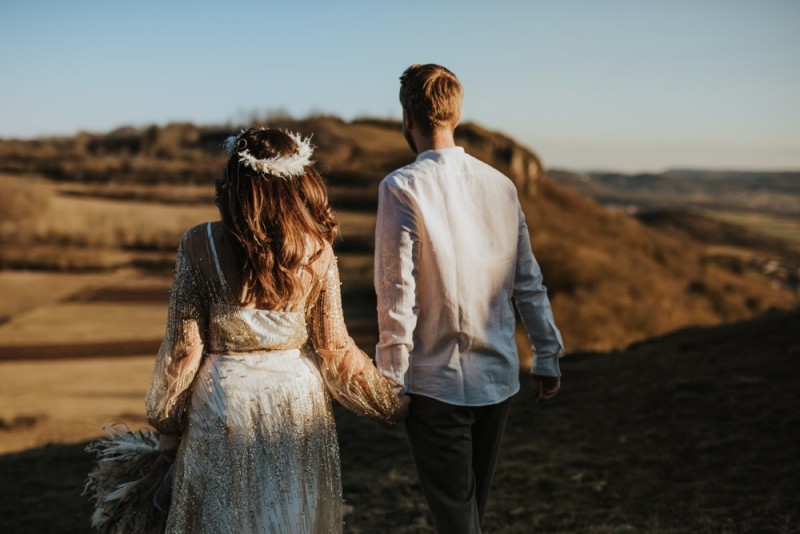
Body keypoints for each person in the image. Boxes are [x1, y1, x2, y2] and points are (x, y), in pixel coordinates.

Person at [144, 128, 408, 532]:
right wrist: (385, 403)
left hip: (225, 401)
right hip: (295, 401)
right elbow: (335, 348)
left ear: (235, 181)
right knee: (289, 517)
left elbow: (184, 349)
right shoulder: (318, 249)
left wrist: (166, 422)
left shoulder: (198, 243)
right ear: (297, 182)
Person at [374, 64, 564, 533]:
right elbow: (527, 280)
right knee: (471, 511)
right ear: (457, 115)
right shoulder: (501, 185)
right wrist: (546, 353)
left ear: (407, 117)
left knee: (457, 519)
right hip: (498, 378)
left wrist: (391, 383)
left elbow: (398, 295)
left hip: (435, 385)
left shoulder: (401, 187)